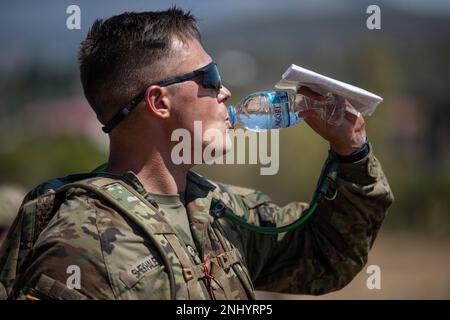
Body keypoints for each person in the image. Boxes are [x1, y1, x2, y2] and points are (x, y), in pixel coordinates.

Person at [0, 7, 393, 300]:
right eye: (210, 78)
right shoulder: (79, 247)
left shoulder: (217, 210)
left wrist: (351, 149)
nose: (224, 92)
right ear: (159, 102)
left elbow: (324, 255)